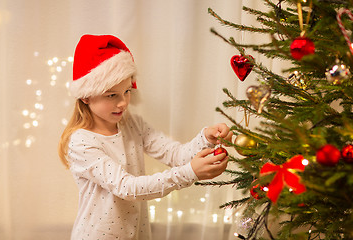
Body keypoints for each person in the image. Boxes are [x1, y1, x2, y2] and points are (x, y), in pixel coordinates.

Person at [58, 34, 233, 240]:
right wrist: (190, 172)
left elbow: (175, 154)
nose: (123, 102)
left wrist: (205, 138)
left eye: (126, 91)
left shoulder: (132, 124)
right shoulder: (81, 142)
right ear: (86, 96)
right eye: (111, 95)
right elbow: (126, 187)